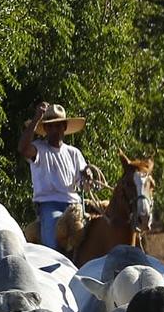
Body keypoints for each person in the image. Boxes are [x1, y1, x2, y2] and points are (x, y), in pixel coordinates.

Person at [17, 100, 102, 250]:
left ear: (64, 127)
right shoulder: (39, 149)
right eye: (50, 126)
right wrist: (37, 118)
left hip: (75, 205)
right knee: (52, 243)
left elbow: (84, 182)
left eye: (58, 125)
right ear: (45, 129)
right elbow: (23, 148)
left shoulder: (74, 153)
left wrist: (87, 174)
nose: (54, 129)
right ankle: (50, 268)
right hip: (49, 205)